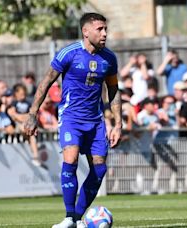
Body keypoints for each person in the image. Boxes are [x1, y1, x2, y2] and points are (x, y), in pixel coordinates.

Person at [23, 13, 121, 228]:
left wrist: (118, 123)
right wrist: (32, 114)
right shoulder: (69, 53)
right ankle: (68, 217)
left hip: (96, 121)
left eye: (106, 29)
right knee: (71, 159)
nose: (104, 33)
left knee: (100, 169)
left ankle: (77, 218)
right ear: (86, 31)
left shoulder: (109, 59)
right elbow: (46, 82)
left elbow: (113, 90)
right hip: (71, 118)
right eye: (100, 29)